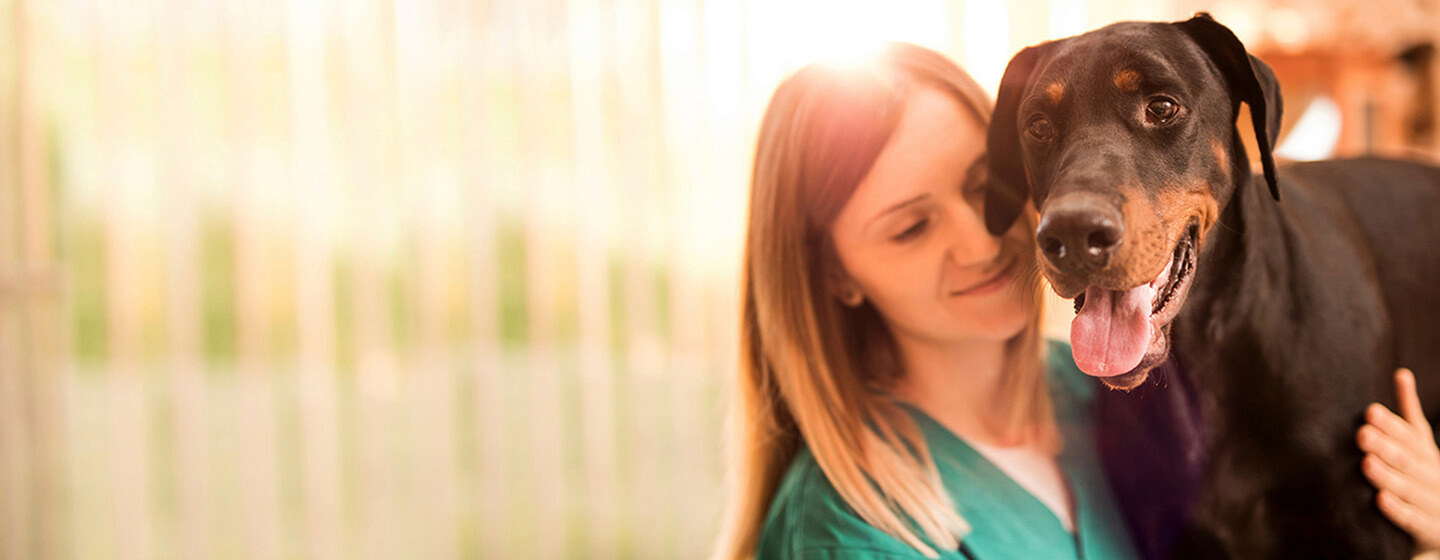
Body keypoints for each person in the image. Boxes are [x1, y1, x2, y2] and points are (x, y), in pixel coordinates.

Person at [711, 41, 1440, 560]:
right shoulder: (849, 535)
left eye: (983, 187)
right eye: (909, 227)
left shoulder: (1100, 389)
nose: (986, 239)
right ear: (834, 274)